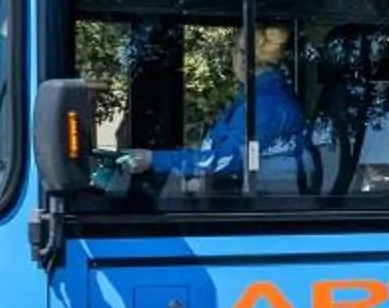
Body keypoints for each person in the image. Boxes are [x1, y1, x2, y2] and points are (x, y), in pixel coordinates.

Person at [126, 20, 308, 188]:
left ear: (244, 58)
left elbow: (226, 160)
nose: (233, 56)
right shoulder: (257, 98)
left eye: (235, 48)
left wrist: (154, 160)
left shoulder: (265, 105)